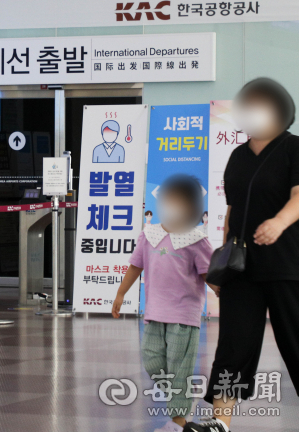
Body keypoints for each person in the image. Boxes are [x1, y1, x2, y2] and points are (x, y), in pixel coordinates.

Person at [185, 78, 299, 432]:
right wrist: (222, 264)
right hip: (242, 267)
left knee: (297, 343)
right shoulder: (237, 154)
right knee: (233, 348)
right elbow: (232, 212)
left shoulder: (294, 148)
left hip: (286, 263)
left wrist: (279, 223)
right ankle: (220, 423)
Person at [113, 175, 215, 432]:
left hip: (184, 315)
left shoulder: (196, 239)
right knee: (152, 361)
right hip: (155, 313)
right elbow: (136, 265)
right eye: (169, 199)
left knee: (179, 368)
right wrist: (121, 293)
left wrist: (224, 291)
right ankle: (179, 396)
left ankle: (178, 421)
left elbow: (209, 274)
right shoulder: (149, 234)